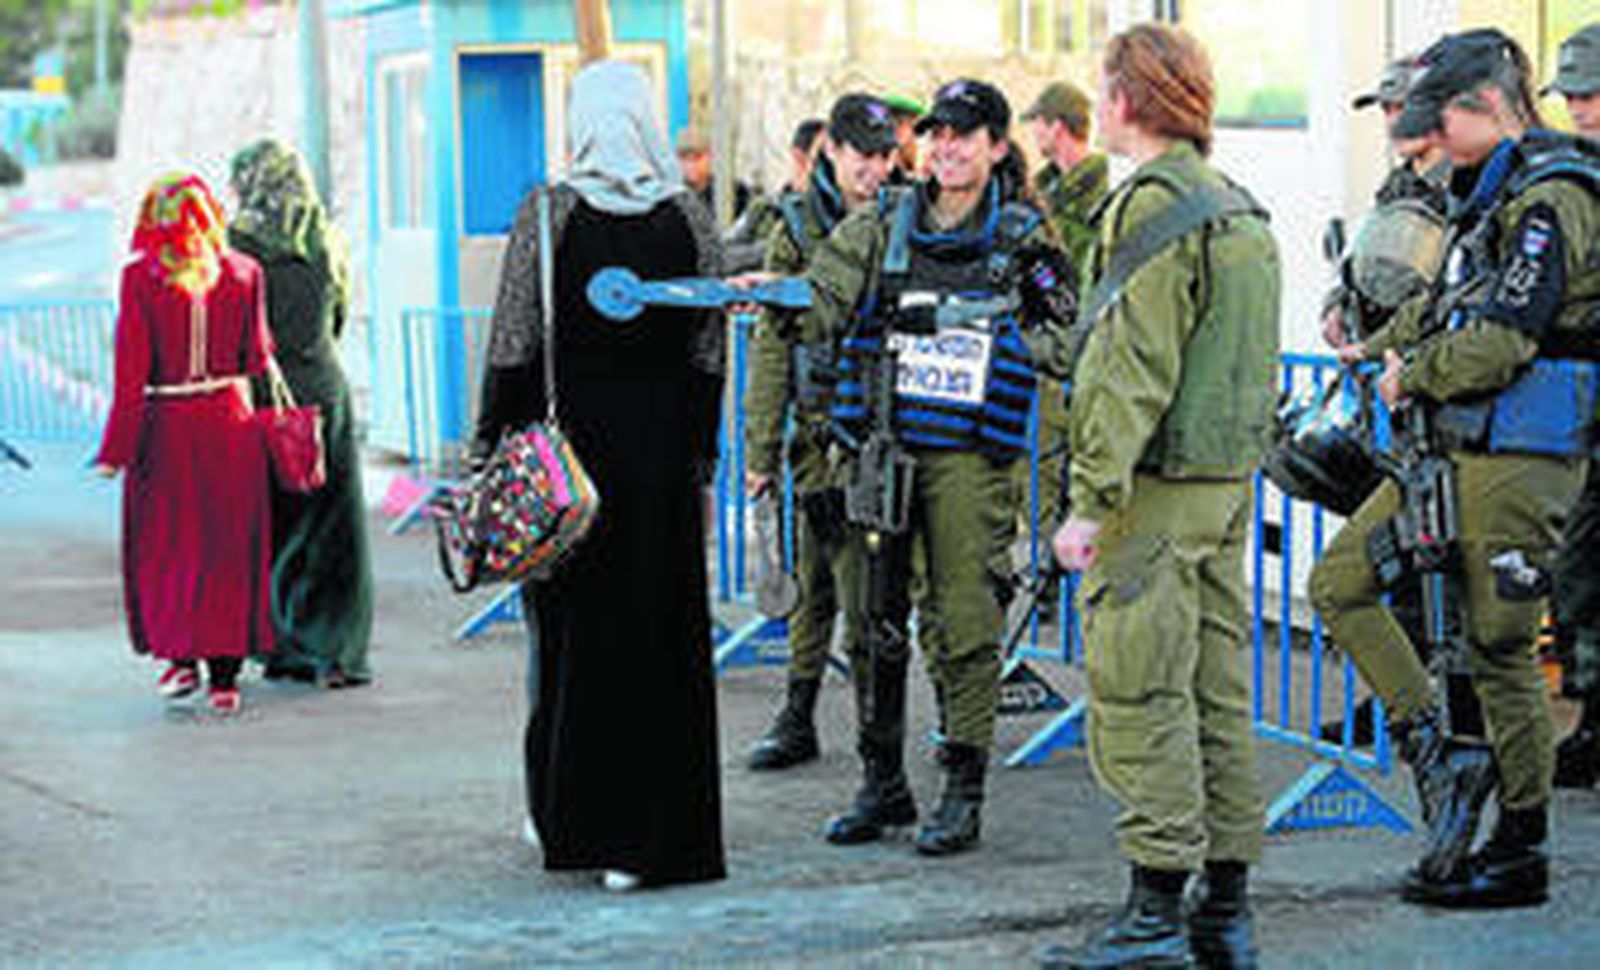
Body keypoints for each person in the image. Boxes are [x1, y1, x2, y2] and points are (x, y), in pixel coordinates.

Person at [1311, 28, 1598, 909]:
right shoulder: (1488, 193)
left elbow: (1504, 338)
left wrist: (1412, 372)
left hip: (1520, 455)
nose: (1422, 142)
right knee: (1339, 584)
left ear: (1483, 108)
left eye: (1437, 124)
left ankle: (1520, 846)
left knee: (1501, 649)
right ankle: (1439, 758)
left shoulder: (1554, 197)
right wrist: (1376, 347)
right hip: (1457, 446)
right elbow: (1448, 306)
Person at [1038, 24, 1279, 969]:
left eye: (1103, 91)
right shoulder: (1236, 204)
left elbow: (1130, 369)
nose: (1096, 107)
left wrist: (1088, 502)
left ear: (1127, 100)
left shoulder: (1150, 205)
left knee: (1141, 692)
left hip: (1154, 496)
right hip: (1221, 489)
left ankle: (1151, 918)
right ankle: (1225, 910)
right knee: (1216, 694)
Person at [801, 78, 1074, 856]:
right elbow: (821, 295)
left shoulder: (1023, 237)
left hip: (966, 461)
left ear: (995, 145)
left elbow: (1064, 334)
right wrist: (771, 295)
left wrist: (1005, 320)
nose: (946, 147)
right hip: (884, 451)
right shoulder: (885, 219)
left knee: (963, 621)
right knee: (873, 623)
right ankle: (881, 782)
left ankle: (963, 788)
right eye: (937, 134)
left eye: (965, 134)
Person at [473, 60, 726, 891]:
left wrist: (488, 451)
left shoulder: (549, 214)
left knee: (575, 646)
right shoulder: (689, 217)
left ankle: (576, 819)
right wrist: (699, 459)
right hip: (660, 476)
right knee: (660, 648)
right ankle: (657, 843)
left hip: (567, 474)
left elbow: (513, 344)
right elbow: (707, 353)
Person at [742, 94, 897, 771]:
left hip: (884, 435)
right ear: (831, 151)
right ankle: (798, 714)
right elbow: (773, 345)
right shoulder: (797, 227)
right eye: (862, 152)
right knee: (813, 584)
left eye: (885, 153)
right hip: (815, 432)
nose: (874, 167)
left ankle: (877, 743)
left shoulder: (905, 218)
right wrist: (759, 452)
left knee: (870, 598)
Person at [94, 172, 275, 716]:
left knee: (169, 546)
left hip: (166, 427)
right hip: (231, 423)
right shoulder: (245, 273)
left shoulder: (141, 280)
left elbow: (131, 374)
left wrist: (114, 451)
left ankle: (180, 662)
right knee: (227, 545)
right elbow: (257, 357)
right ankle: (226, 678)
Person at [227, 139, 374, 690]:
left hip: (260, 398)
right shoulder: (325, 240)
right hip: (324, 395)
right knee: (333, 530)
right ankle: (337, 654)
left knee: (273, 524)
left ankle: (282, 645)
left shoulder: (235, 246)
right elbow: (336, 315)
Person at [1541, 22, 1600, 788]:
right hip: (1586, 408)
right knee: (1580, 566)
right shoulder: (1574, 175)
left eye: (1591, 94)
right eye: (1574, 96)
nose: (1580, 109)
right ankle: (1591, 717)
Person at [1022, 80, 1110, 273]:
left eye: (1037, 122)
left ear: (1056, 127)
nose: (1033, 132)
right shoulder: (1041, 186)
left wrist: (1051, 228)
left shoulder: (1107, 185)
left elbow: (1102, 259)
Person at [723, 117, 825, 274]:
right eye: (822, 156)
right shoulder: (765, 209)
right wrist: (773, 248)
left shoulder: (834, 216)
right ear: (800, 158)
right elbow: (722, 255)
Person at [676, 125, 754, 222]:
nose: (691, 165)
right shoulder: (675, 199)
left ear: (710, 156)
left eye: (697, 158)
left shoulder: (735, 192)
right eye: (685, 159)